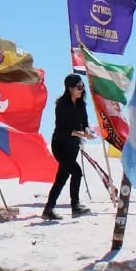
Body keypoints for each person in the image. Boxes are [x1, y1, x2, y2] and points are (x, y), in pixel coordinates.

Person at [43, 74, 92, 220]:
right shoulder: (62, 104)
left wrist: (87, 131)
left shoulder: (81, 104)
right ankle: (75, 206)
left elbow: (85, 122)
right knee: (76, 172)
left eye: (82, 87)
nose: (81, 90)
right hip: (60, 145)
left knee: (62, 177)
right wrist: (79, 133)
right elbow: (62, 128)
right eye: (79, 87)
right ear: (70, 88)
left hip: (73, 146)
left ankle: (48, 210)